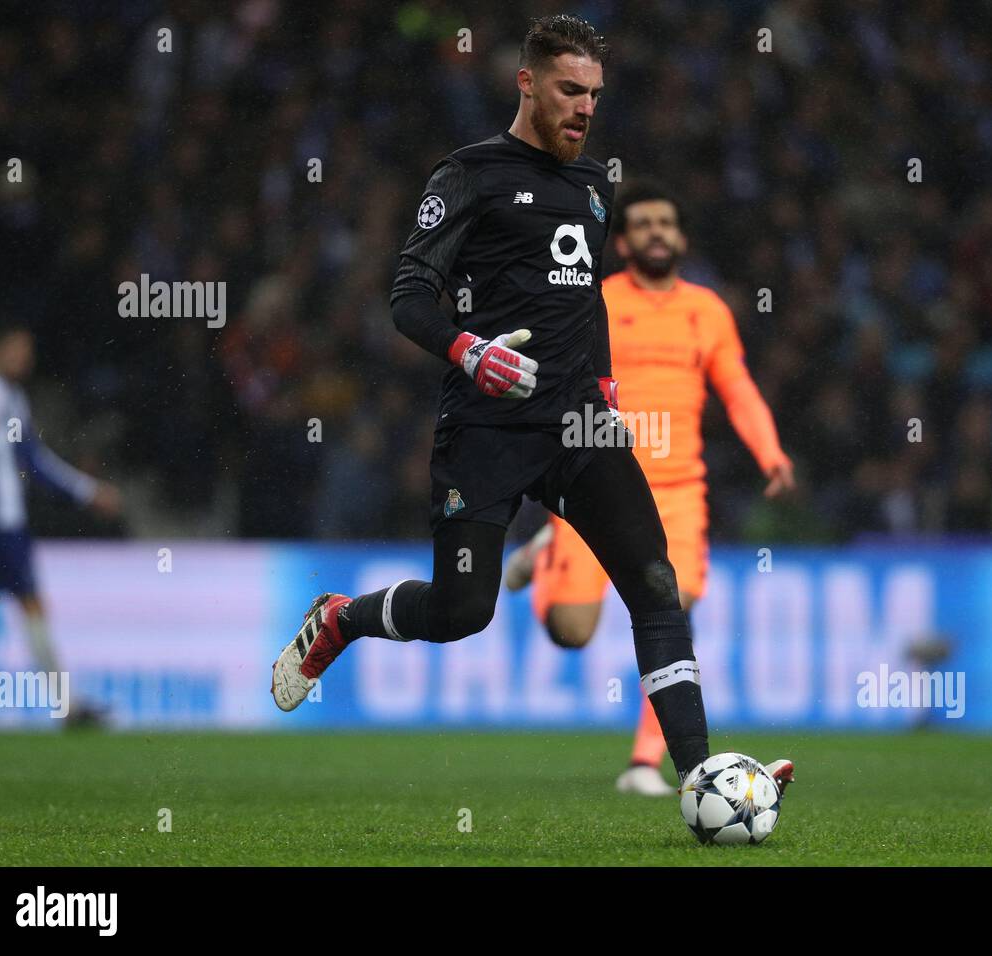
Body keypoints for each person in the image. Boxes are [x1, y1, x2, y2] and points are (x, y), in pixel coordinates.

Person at [270, 14, 791, 794]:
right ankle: (342, 618)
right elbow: (409, 297)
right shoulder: (469, 174)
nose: (585, 108)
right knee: (460, 611)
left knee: (655, 583)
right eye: (569, 91)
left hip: (579, 424)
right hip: (485, 425)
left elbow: (589, 303)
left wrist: (606, 388)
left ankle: (700, 778)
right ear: (527, 83)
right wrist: (470, 352)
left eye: (594, 95)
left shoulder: (593, 185)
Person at [503, 180, 796, 794]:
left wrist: (769, 451)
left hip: (679, 491)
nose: (656, 231)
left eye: (666, 221)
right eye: (642, 223)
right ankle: (550, 552)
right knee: (571, 632)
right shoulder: (596, 301)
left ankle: (644, 765)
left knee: (672, 615)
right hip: (600, 481)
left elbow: (736, 388)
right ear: (624, 239)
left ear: (682, 236)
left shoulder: (707, 311)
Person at [0, 324, 122, 726]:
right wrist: (89, 491)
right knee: (14, 607)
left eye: (27, 350)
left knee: (26, 607)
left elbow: (35, 462)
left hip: (4, 528)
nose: (24, 357)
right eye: (16, 349)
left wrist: (86, 491)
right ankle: (66, 706)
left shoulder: (11, 397)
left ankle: (67, 706)